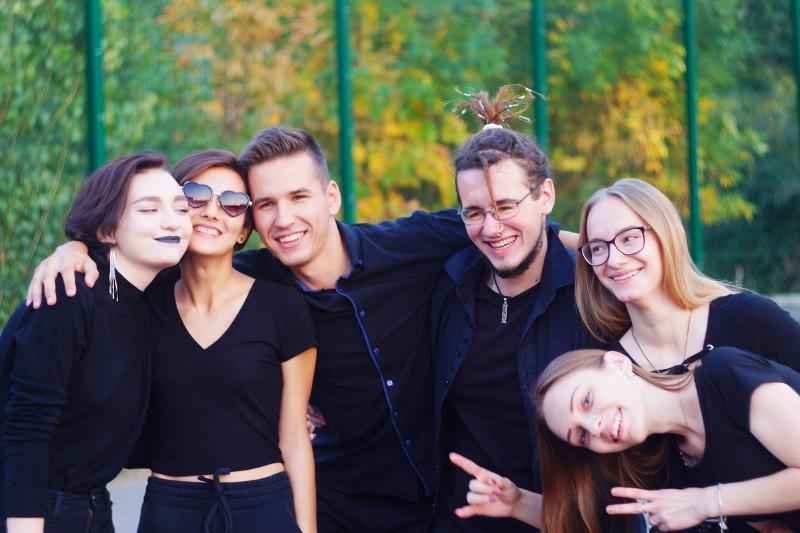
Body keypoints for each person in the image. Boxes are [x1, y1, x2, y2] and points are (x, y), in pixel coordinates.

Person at [25, 127, 470, 532]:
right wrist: (75, 247)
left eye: (298, 197)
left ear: (331, 197)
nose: (284, 219)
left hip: (428, 498)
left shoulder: (405, 246)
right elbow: (139, 257)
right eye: (266, 205)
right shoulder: (202, 288)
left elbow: (493, 217)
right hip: (313, 500)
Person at [429, 86, 597, 532]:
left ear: (546, 197)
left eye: (506, 206)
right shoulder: (447, 287)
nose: (492, 227)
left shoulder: (593, 296)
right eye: (474, 213)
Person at [0, 152, 191, 533]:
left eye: (181, 208)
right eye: (149, 209)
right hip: (34, 512)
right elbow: (26, 429)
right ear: (106, 230)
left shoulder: (148, 299)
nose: (172, 220)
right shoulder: (68, 294)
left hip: (93, 509)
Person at [134, 150, 317, 532]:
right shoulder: (143, 305)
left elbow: (295, 440)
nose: (212, 212)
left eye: (232, 203)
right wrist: (72, 249)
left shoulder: (282, 307)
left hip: (263, 509)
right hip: (170, 510)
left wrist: (307, 529)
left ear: (244, 230)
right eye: (196, 196)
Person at [535, 347, 800, 532]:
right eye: (581, 436)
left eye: (586, 401)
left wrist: (704, 503)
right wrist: (517, 504)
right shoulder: (676, 464)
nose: (594, 427)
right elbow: (773, 527)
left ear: (618, 364)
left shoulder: (724, 373)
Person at [576, 178, 800, 374]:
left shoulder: (750, 319)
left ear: (670, 235)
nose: (614, 260)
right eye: (598, 248)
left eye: (629, 238)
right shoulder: (611, 369)